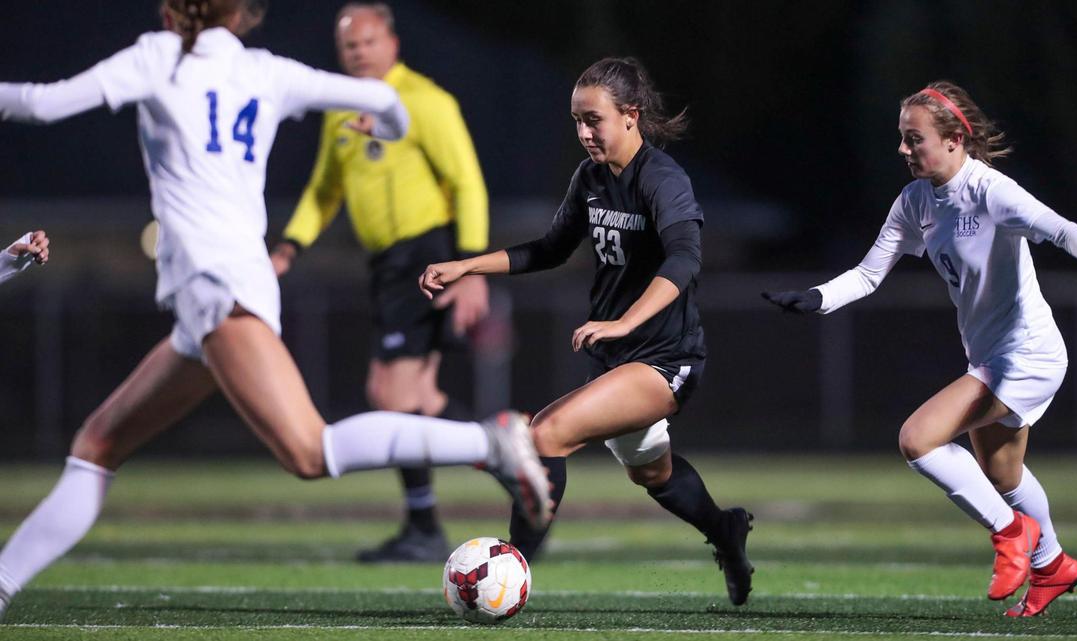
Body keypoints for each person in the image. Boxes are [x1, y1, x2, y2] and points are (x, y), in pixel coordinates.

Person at [0, 0, 550, 619]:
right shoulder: (266, 71)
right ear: (241, 16)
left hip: (213, 283)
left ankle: (490, 441)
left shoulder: (159, 59)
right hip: (231, 285)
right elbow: (386, 104)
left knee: (309, 451)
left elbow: (40, 104)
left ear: (174, 13)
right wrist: (389, 132)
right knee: (97, 444)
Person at [762, 81, 1077, 617]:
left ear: (954, 140)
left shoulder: (990, 190)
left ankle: (1012, 534)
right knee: (1003, 474)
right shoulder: (916, 200)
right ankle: (1052, 565)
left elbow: (1057, 228)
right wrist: (816, 298)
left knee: (918, 439)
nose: (903, 149)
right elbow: (869, 274)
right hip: (989, 357)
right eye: (902, 138)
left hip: (1027, 356)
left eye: (914, 139)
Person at [420, 57, 755, 606]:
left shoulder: (662, 178)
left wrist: (624, 321)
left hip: (665, 358)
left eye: (593, 120)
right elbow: (550, 249)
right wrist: (467, 266)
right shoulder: (592, 178)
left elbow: (685, 260)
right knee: (653, 474)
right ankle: (726, 530)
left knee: (545, 434)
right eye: (577, 120)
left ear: (631, 115)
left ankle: (510, 574)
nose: (583, 132)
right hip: (616, 359)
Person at [270, 2, 490, 563]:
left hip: (427, 256)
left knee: (391, 395)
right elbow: (325, 189)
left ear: (392, 43)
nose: (359, 52)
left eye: (368, 41)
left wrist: (470, 269)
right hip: (387, 266)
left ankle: (426, 523)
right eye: (349, 45)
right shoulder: (341, 107)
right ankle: (512, 457)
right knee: (420, 399)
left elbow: (467, 183)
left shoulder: (426, 100)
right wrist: (290, 246)